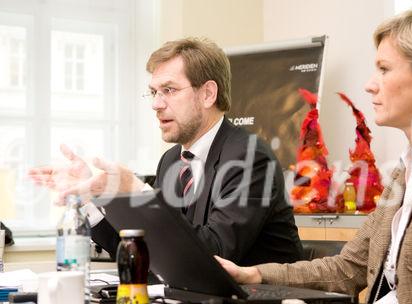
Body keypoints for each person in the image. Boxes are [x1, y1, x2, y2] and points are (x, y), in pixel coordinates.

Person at [216, 10, 412, 304]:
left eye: (384, 69)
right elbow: (346, 268)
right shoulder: (406, 171)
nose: (369, 85)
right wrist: (255, 275)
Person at [29, 38, 303, 266]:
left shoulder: (250, 158)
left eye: (169, 90)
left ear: (207, 94)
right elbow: (143, 251)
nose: (156, 104)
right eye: (153, 92)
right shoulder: (172, 161)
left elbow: (214, 253)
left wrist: (139, 192)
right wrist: (89, 199)